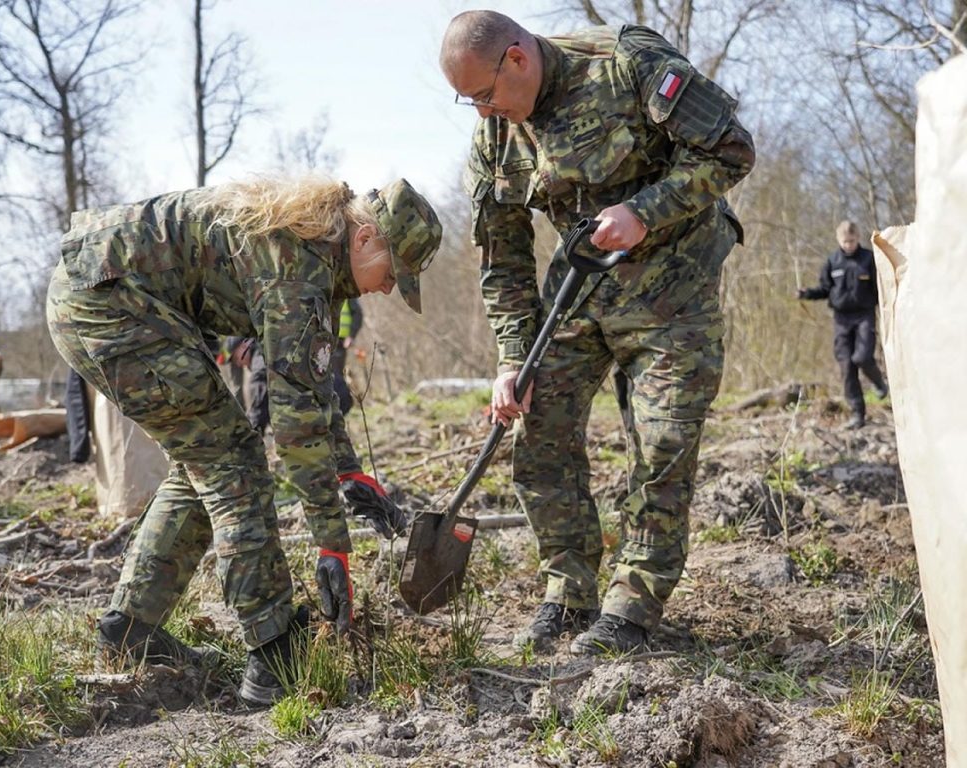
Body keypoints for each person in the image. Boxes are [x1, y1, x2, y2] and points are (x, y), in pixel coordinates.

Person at [46, 175, 442, 706]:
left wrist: (348, 472)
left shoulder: (319, 252)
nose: (388, 288)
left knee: (206, 460)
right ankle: (273, 653)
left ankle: (130, 629)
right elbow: (294, 424)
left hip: (107, 296)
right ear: (367, 239)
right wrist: (332, 545)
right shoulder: (296, 266)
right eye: (393, 274)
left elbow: (312, 387)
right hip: (106, 304)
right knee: (233, 462)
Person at [440, 11, 755, 655]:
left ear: (518, 60)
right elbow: (501, 258)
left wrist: (645, 212)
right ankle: (568, 592)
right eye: (466, 101)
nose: (480, 112)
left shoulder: (626, 62)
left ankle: (633, 606)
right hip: (582, 281)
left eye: (484, 95)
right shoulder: (498, 135)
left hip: (676, 279)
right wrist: (510, 358)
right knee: (540, 424)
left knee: (662, 441)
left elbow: (731, 149)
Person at [798, 220, 888, 429]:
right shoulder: (832, 261)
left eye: (852, 241)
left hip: (864, 315)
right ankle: (858, 414)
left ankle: (879, 383)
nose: (849, 245)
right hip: (841, 319)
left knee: (862, 357)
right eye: (845, 241)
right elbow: (825, 288)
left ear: (858, 238)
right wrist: (807, 294)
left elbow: (880, 288)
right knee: (847, 365)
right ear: (839, 240)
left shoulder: (868, 259)